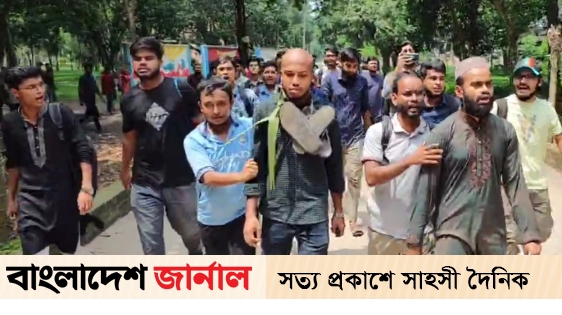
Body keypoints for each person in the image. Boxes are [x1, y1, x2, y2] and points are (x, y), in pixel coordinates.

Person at [406, 57, 542, 255]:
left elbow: (516, 184)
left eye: (488, 84)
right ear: (459, 91)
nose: (485, 89)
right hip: (451, 233)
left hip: (493, 234)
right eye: (477, 85)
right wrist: (414, 242)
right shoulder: (442, 133)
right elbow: (425, 190)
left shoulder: (505, 131)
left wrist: (530, 235)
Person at [243, 48, 345, 255]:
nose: (295, 81)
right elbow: (256, 164)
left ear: (313, 78)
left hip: (314, 211)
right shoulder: (265, 111)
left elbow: (334, 166)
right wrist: (251, 215)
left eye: (302, 75)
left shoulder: (326, 114)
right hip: (276, 212)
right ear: (281, 73)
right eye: (289, 75)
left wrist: (339, 211)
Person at [119, 37, 203, 255]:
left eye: (149, 58)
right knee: (151, 245)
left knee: (192, 236)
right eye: (138, 59)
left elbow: (200, 126)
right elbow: (129, 138)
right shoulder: (129, 99)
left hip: (181, 179)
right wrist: (125, 168)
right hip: (145, 182)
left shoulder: (181, 89)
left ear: (160, 60)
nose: (143, 63)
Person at [1, 66, 94, 255]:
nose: (40, 91)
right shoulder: (10, 123)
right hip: (30, 203)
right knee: (34, 256)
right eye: (32, 87)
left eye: (41, 85)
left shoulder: (60, 114)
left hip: (64, 200)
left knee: (67, 253)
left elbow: (83, 149)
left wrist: (86, 187)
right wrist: (12, 198)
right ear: (15, 93)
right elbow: (13, 162)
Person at [362, 71, 438, 255]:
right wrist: (410, 161)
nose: (414, 98)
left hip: (423, 233)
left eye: (419, 93)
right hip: (384, 233)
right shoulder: (378, 132)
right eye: (408, 94)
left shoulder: (434, 135)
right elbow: (371, 177)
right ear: (394, 98)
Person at [491, 57, 562, 255]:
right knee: (510, 239)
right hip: (506, 185)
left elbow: (559, 138)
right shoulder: (499, 107)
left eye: (529, 77)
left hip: (536, 184)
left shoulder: (547, 109)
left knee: (542, 232)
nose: (523, 81)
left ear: (539, 82)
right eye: (519, 76)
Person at [184, 77, 257, 255]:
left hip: (242, 216)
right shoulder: (194, 140)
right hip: (211, 221)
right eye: (209, 105)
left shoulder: (249, 128)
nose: (216, 111)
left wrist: (252, 214)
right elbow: (207, 177)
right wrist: (242, 176)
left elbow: (257, 174)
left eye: (221, 103)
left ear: (231, 102)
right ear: (200, 106)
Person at [321, 47, 372, 237]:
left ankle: (353, 220)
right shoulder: (329, 80)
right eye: (348, 65)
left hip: (356, 136)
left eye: (355, 66)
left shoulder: (362, 82)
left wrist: (370, 135)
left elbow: (365, 110)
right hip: (333, 137)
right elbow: (322, 109)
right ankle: (337, 212)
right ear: (341, 63)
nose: (352, 69)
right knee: (335, 178)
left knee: (354, 178)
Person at [419, 60, 460, 129]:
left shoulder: (453, 104)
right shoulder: (416, 105)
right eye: (433, 78)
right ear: (422, 80)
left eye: (441, 79)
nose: (438, 83)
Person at [78, 63, 103, 133]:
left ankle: (79, 124)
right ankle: (99, 127)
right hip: (86, 98)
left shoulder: (92, 77)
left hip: (92, 98)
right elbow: (80, 89)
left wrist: (100, 95)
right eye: (89, 68)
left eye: (91, 68)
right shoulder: (82, 78)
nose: (90, 70)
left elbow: (95, 87)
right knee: (94, 112)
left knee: (88, 113)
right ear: (85, 69)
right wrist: (81, 100)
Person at [361, 57, 384, 123]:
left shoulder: (380, 77)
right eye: (372, 63)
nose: (374, 65)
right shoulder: (363, 76)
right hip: (366, 112)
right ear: (367, 65)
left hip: (378, 112)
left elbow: (381, 91)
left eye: (375, 64)